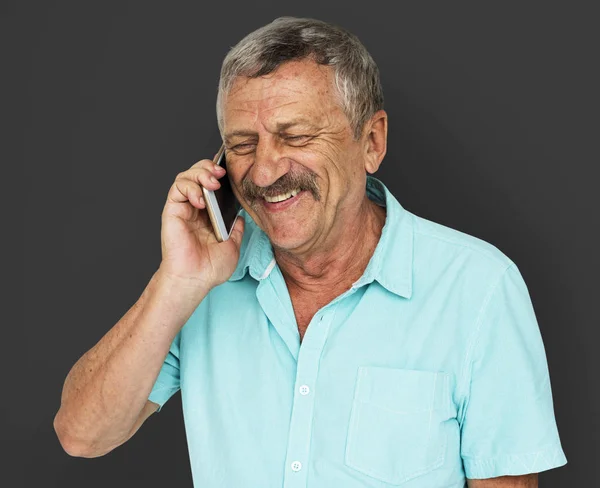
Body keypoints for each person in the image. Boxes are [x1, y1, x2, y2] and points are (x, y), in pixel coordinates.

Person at [54, 16, 567, 488]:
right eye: (242, 144)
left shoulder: (478, 288)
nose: (264, 171)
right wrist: (176, 282)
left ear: (372, 141)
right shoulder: (202, 287)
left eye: (295, 135)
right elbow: (81, 435)